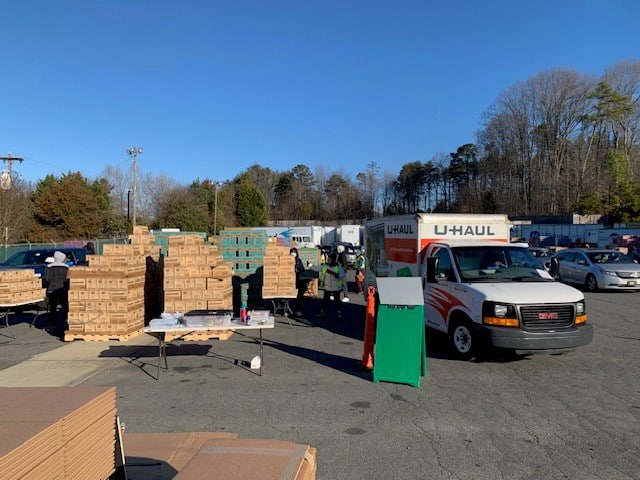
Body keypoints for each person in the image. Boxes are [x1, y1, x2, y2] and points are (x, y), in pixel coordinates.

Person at [42, 250, 70, 332]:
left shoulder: (49, 267)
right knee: (65, 307)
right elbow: (68, 278)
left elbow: (46, 279)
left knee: (52, 307)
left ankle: (52, 324)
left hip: (52, 289)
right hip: (63, 289)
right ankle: (66, 323)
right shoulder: (66, 267)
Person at [318, 252, 345, 319]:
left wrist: (337, 275)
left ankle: (339, 313)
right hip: (327, 287)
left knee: (337, 301)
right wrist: (310, 265)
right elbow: (317, 268)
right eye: (328, 259)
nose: (328, 260)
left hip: (336, 287)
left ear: (333, 259)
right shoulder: (325, 265)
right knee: (325, 301)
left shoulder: (338, 265)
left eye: (329, 259)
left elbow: (342, 274)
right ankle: (323, 312)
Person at [290, 247, 306, 316]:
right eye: (292, 252)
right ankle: (288, 310)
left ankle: (298, 310)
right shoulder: (287, 260)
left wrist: (298, 268)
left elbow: (302, 269)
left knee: (298, 297)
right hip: (290, 280)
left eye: (294, 252)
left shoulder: (298, 260)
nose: (293, 253)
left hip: (298, 281)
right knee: (289, 297)